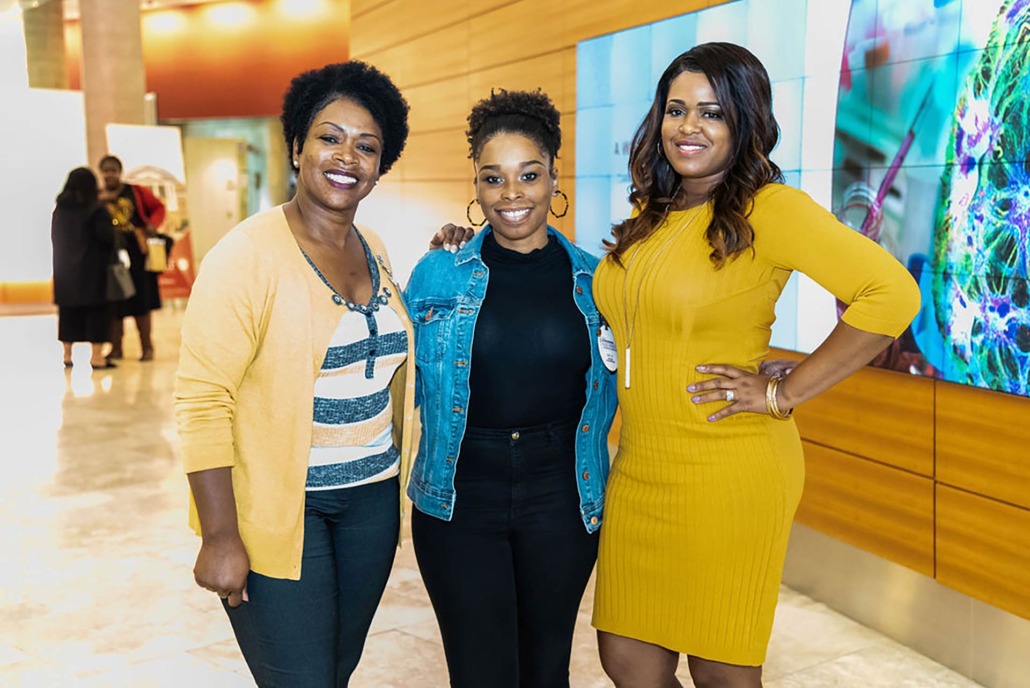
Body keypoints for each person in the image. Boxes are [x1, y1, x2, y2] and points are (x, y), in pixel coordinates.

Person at [590, 43, 922, 688]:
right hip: (639, 465)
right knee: (627, 659)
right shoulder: (654, 211)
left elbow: (892, 295)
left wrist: (785, 392)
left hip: (728, 467)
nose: (689, 127)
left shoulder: (770, 209)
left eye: (712, 113)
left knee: (722, 669)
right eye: (677, 109)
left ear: (745, 122)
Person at [173, 61, 413, 688]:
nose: (347, 157)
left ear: (380, 165)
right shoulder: (245, 256)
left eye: (368, 146)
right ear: (297, 146)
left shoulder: (376, 249)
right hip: (280, 509)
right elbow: (203, 401)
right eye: (330, 137)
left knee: (335, 669)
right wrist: (220, 535)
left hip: (370, 501)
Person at [404, 89, 618, 688]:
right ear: (475, 185)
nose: (512, 194)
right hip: (459, 495)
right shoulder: (437, 272)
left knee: (546, 671)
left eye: (529, 174)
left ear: (555, 175)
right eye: (493, 178)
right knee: (481, 674)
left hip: (561, 495)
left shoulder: (598, 283)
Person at [98, 154, 170, 362]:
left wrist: (153, 225)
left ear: (120, 172)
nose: (110, 174)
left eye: (113, 170)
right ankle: (116, 348)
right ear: (101, 172)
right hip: (110, 254)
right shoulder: (98, 196)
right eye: (106, 170)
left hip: (138, 251)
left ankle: (147, 347)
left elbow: (158, 207)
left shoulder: (136, 191)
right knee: (114, 302)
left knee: (142, 301)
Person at [51, 167, 118, 369]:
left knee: (68, 313)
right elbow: (106, 237)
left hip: (65, 270)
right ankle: (97, 357)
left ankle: (67, 355)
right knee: (97, 313)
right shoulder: (96, 209)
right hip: (93, 270)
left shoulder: (60, 209)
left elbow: (55, 237)